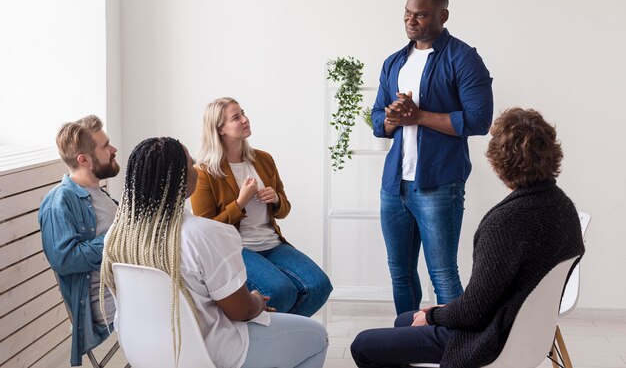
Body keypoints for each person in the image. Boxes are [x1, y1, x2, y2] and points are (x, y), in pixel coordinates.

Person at [351, 108, 585, 368]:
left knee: (363, 345)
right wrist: (435, 315)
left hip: (490, 338)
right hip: (528, 331)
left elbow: (473, 312)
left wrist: (435, 316)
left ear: (498, 159)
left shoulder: (505, 223)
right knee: (404, 320)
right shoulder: (564, 209)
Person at [100, 137, 328, 368]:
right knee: (317, 336)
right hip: (209, 352)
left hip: (143, 349)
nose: (196, 168)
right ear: (179, 177)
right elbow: (242, 311)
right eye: (191, 163)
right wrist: (257, 301)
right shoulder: (205, 234)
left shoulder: (118, 236)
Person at [371, 0, 494, 314]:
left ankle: (456, 350)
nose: (412, 21)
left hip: (439, 185)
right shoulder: (394, 62)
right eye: (408, 13)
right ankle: (405, 345)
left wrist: (420, 116)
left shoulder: (464, 59)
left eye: (422, 15)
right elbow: (376, 119)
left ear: (444, 15)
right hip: (394, 186)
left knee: (443, 275)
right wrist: (393, 118)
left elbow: (479, 120)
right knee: (400, 274)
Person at [190, 97, 332, 316]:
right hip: (237, 249)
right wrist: (240, 203)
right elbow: (206, 230)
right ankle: (270, 341)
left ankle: (282, 339)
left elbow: (284, 210)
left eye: (243, 113)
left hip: (272, 243)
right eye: (236, 117)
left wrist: (275, 199)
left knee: (319, 285)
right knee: (280, 291)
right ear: (219, 129)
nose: (245, 120)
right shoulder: (204, 172)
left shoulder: (263, 160)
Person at [39, 115, 120, 366]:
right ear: (83, 159)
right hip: (109, 308)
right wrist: (120, 236)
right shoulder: (58, 202)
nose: (113, 149)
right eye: (105, 146)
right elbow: (65, 259)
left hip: (130, 292)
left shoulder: (99, 194)